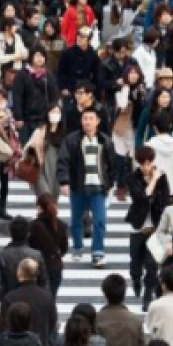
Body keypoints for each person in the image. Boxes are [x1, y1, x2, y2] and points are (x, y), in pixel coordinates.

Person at [57, 106, 115, 267]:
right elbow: (63, 161)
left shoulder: (105, 141)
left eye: (91, 118)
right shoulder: (72, 140)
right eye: (85, 118)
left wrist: (110, 183)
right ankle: (77, 247)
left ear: (98, 121)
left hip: (98, 187)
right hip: (78, 186)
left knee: (99, 221)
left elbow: (112, 164)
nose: (87, 122)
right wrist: (64, 182)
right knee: (76, 220)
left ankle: (97, 252)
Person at [126, 145, 171, 308]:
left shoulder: (162, 178)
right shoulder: (133, 178)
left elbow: (166, 201)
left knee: (152, 265)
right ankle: (136, 279)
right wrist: (153, 180)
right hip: (138, 225)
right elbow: (140, 197)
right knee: (135, 262)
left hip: (155, 227)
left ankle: (147, 296)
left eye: (148, 163)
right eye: (142, 164)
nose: (146, 167)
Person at [0, 216, 49, 316]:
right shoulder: (36, 255)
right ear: (28, 233)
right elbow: (44, 282)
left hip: (9, 302)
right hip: (33, 302)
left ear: (10, 232)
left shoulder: (1, 256)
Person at [28, 193, 68, 298]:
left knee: (37, 298)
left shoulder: (34, 226)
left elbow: (29, 245)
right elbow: (64, 249)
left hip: (38, 266)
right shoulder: (61, 225)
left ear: (39, 207)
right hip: (55, 265)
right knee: (51, 297)